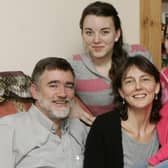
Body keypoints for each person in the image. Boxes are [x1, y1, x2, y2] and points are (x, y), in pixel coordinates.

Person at [68, 1, 153, 125]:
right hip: (100, 137)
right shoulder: (74, 66)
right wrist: (71, 104)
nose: (96, 40)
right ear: (82, 34)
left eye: (105, 32)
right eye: (89, 32)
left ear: (117, 34)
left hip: (142, 130)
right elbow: (50, 92)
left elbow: (158, 94)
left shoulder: (138, 54)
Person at [0, 57, 89, 168]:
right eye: (53, 85)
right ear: (34, 91)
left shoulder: (81, 128)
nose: (62, 94)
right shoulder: (8, 129)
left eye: (69, 86)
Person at [83, 55, 161, 168]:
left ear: (157, 87)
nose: (138, 87)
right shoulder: (103, 127)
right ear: (121, 92)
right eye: (129, 81)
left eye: (145, 79)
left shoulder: (164, 126)